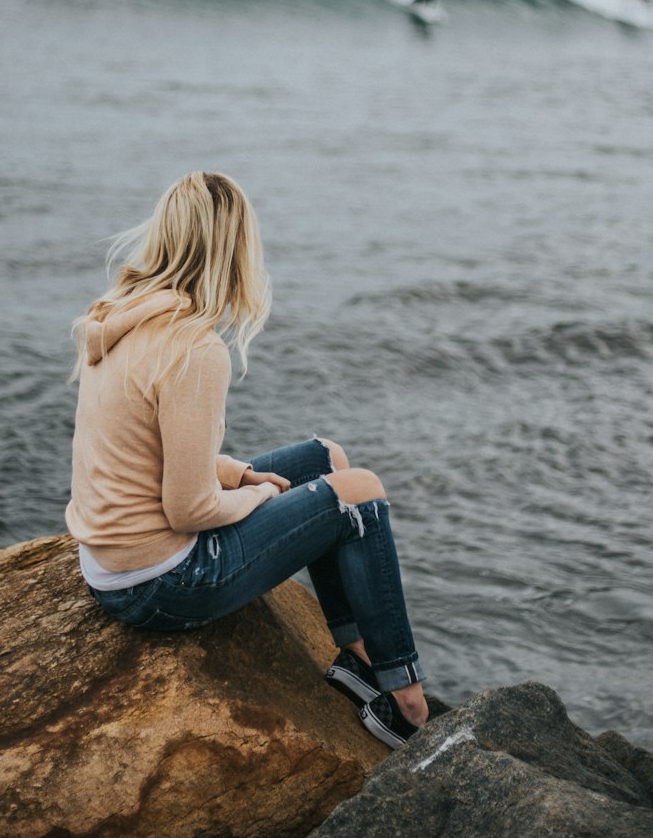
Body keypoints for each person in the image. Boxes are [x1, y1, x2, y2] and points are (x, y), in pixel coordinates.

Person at [66, 171, 428, 747]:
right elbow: (186, 510)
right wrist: (259, 495)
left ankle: (360, 658)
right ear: (233, 248)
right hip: (162, 583)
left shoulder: (117, 315)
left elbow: (139, 447)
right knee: (360, 493)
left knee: (325, 458)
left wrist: (236, 473)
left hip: (109, 564)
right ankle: (406, 701)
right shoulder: (193, 347)